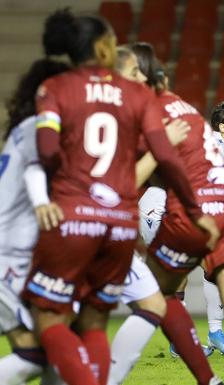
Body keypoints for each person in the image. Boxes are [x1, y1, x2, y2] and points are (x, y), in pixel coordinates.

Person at [20, 10, 215, 385]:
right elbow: (168, 158)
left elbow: (46, 151)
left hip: (73, 216)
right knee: (96, 319)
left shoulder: (55, 88)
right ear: (103, 48)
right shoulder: (137, 95)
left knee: (50, 319)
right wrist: (194, 209)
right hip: (120, 224)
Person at [133, 49, 224, 384]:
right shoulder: (199, 124)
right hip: (196, 206)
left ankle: (202, 356)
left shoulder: (151, 114)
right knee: (218, 291)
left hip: (191, 207)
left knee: (162, 290)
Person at [129, 41, 224, 358]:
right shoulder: (154, 114)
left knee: (174, 280)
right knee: (162, 285)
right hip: (156, 202)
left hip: (167, 200)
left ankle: (193, 338)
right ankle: (197, 336)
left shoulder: (166, 112)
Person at [0, 58, 69, 385]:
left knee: (54, 352)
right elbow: (35, 172)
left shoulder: (26, 129)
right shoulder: (39, 130)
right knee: (36, 356)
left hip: (20, 254)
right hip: (7, 257)